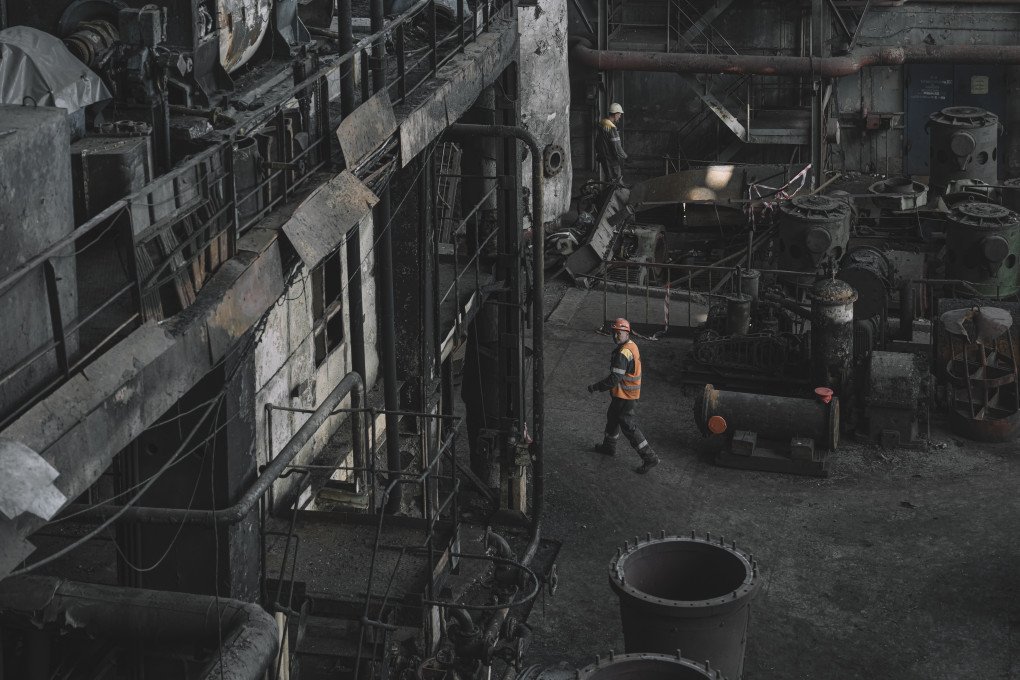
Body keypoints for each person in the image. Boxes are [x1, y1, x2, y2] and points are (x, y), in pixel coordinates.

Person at [587, 318, 659, 474]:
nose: (615, 336)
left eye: (618, 333)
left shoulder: (624, 353)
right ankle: (609, 446)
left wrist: (596, 387)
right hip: (623, 395)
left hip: (626, 397)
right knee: (612, 418)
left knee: (628, 427)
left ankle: (650, 457)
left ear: (627, 333)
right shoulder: (631, 345)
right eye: (614, 333)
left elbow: (614, 379)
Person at [595, 103, 628, 183]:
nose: (620, 116)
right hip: (611, 159)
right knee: (616, 181)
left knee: (609, 180)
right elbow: (617, 147)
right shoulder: (611, 128)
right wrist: (625, 157)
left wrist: (599, 153)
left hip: (604, 157)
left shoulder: (602, 124)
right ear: (615, 114)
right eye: (619, 114)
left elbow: (597, 142)